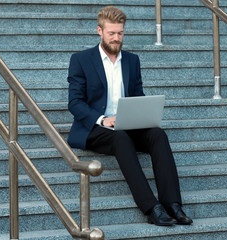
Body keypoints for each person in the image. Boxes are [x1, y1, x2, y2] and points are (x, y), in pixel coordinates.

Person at [67, 6, 192, 226]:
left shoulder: (132, 60)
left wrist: (143, 114)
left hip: (127, 123)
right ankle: (152, 208)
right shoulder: (81, 60)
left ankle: (173, 204)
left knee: (158, 135)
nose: (116, 38)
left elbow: (137, 96)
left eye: (120, 33)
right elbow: (75, 103)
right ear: (100, 31)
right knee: (120, 138)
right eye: (111, 33)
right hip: (96, 128)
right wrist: (103, 120)